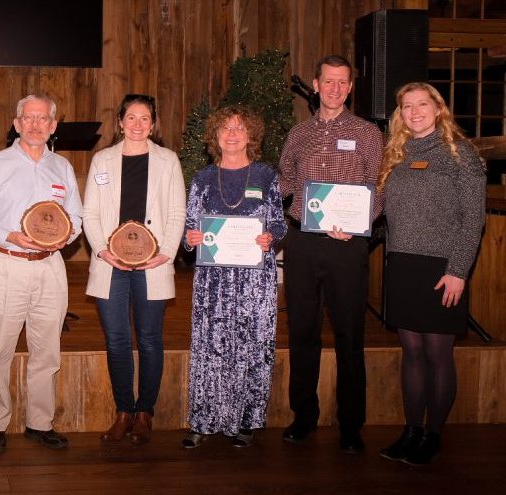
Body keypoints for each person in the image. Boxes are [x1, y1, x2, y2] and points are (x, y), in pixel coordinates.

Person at [0, 94, 83, 453]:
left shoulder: (61, 168)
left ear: (53, 125)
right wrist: (7, 235)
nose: (34, 124)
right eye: (27, 118)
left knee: (48, 350)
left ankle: (39, 422)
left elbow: (76, 217)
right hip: (8, 263)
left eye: (42, 118)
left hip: (50, 267)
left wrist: (63, 237)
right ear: (16, 124)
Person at [376, 82, 485, 466]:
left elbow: (474, 220)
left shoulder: (461, 154)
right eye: (407, 106)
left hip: (443, 268)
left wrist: (459, 270)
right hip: (402, 263)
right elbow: (379, 210)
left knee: (438, 354)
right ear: (400, 114)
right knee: (411, 351)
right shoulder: (396, 154)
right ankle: (411, 430)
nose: (415, 111)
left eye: (423, 104)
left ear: (438, 109)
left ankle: (434, 433)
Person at [278, 55, 383, 453]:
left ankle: (351, 425)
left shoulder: (368, 133)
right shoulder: (299, 133)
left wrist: (357, 223)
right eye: (329, 81)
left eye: (343, 82)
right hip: (303, 242)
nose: (335, 88)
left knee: (349, 336)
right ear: (316, 84)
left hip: (346, 246)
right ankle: (303, 416)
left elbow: (381, 186)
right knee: (302, 332)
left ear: (350, 87)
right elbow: (287, 178)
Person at [82, 94, 186, 445]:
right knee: (116, 341)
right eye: (132, 117)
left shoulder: (168, 161)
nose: (138, 124)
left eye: (145, 118)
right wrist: (101, 250)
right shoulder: (102, 160)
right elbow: (90, 214)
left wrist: (167, 252)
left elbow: (176, 214)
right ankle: (124, 410)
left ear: (153, 124)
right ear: (121, 122)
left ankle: (145, 413)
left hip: (152, 264)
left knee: (151, 340)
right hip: (111, 265)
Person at [180, 105, 286, 448]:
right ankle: (203, 420)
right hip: (213, 283)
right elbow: (190, 228)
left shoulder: (267, 177)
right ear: (216, 136)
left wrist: (270, 236)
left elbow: (280, 223)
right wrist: (191, 238)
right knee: (211, 348)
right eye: (226, 128)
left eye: (240, 128)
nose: (232, 134)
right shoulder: (203, 179)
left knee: (251, 346)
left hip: (255, 282)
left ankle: (245, 420)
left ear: (251, 136)